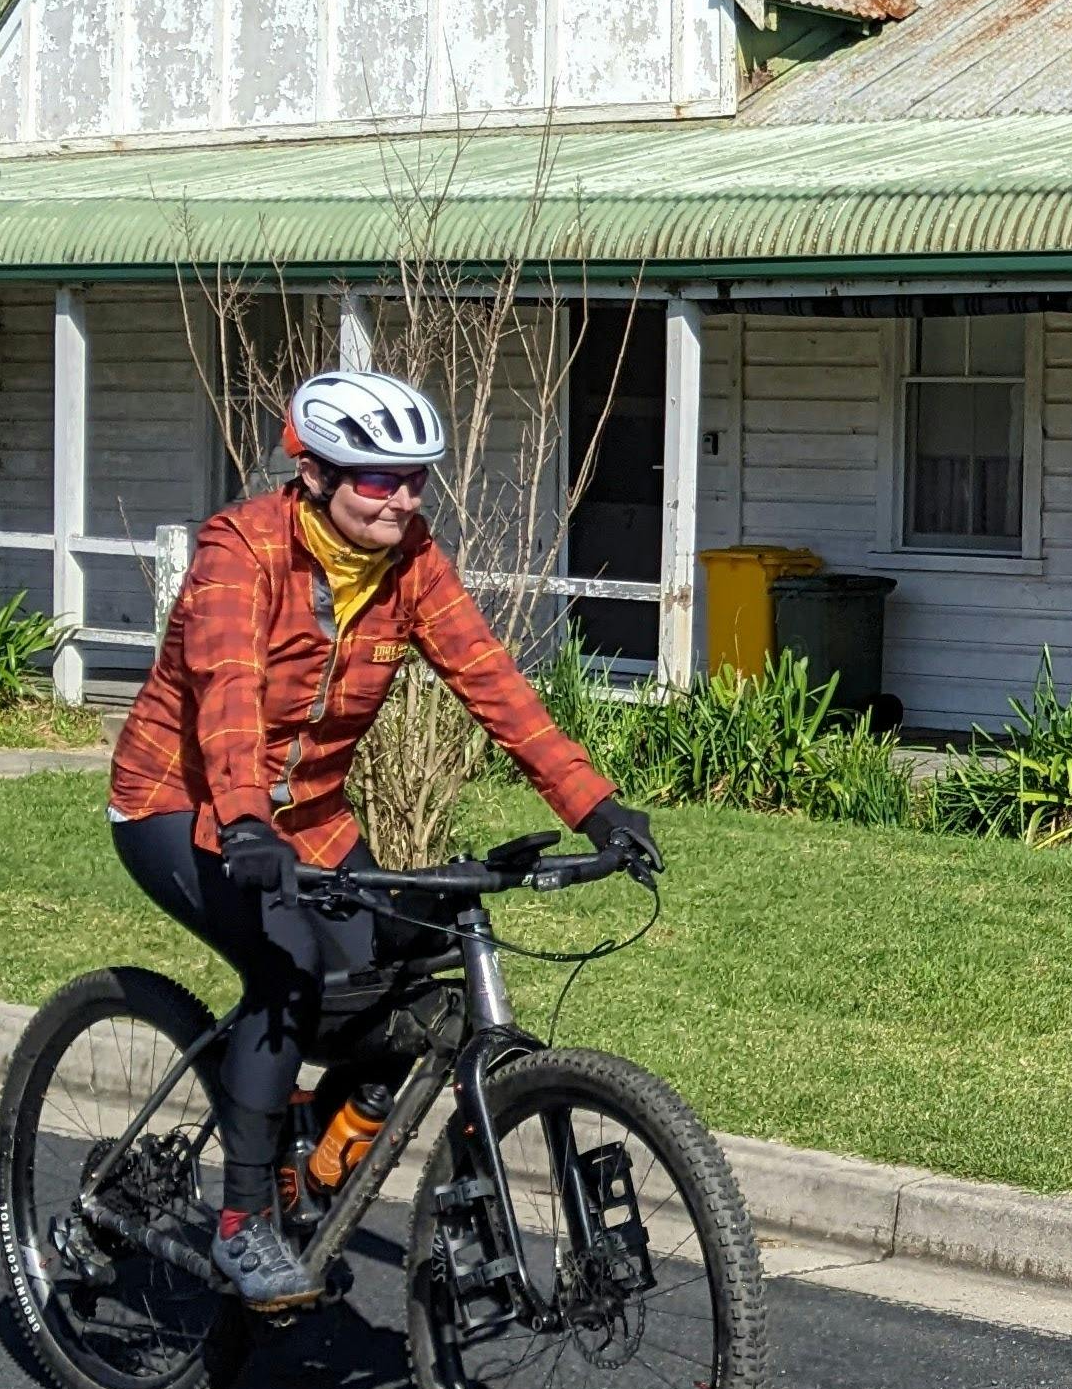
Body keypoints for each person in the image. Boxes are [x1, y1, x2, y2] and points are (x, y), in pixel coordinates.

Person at [106, 369, 658, 1310]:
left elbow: (495, 686)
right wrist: (243, 816)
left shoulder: (412, 564)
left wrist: (594, 803)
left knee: (412, 967)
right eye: (376, 479)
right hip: (182, 803)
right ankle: (244, 1225)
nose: (401, 498)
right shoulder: (241, 552)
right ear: (316, 474)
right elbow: (229, 692)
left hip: (311, 820)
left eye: (415, 479)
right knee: (284, 973)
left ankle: (314, 1144)